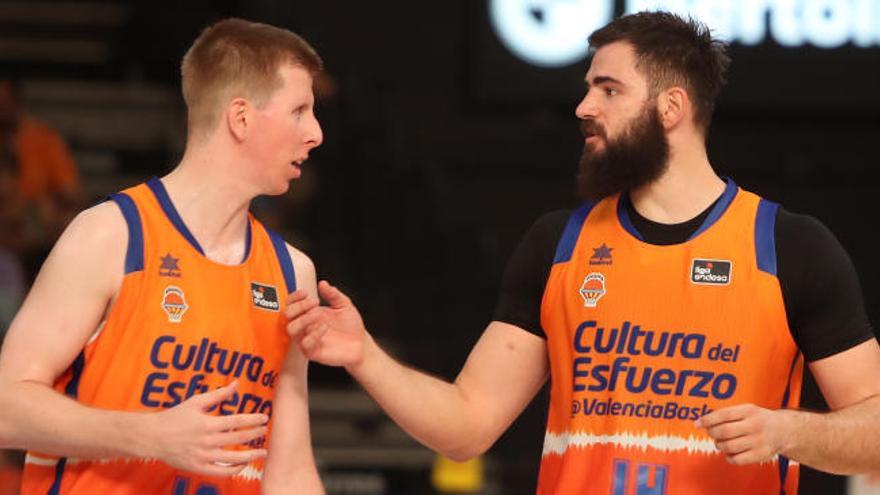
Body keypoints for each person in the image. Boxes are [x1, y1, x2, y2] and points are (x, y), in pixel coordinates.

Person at [286, 11, 880, 495]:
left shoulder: (788, 246)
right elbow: (466, 426)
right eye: (588, 87)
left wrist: (785, 431)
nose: (583, 107)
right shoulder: (558, 245)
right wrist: (363, 355)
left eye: (608, 89)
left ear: (671, 108)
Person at [0, 18, 325, 494]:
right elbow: (6, 405)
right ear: (241, 117)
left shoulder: (292, 271)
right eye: (300, 110)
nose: (315, 132)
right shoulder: (110, 235)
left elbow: (289, 470)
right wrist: (148, 435)